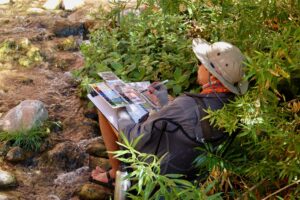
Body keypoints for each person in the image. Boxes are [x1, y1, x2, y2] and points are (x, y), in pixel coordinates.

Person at [90, 38, 248, 187]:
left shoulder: (186, 105)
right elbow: (186, 121)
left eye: (201, 63)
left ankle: (117, 174)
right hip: (188, 166)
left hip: (159, 165)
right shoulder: (232, 106)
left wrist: (120, 107)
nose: (198, 66)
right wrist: (164, 101)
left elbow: (132, 138)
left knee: (104, 106)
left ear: (213, 76)